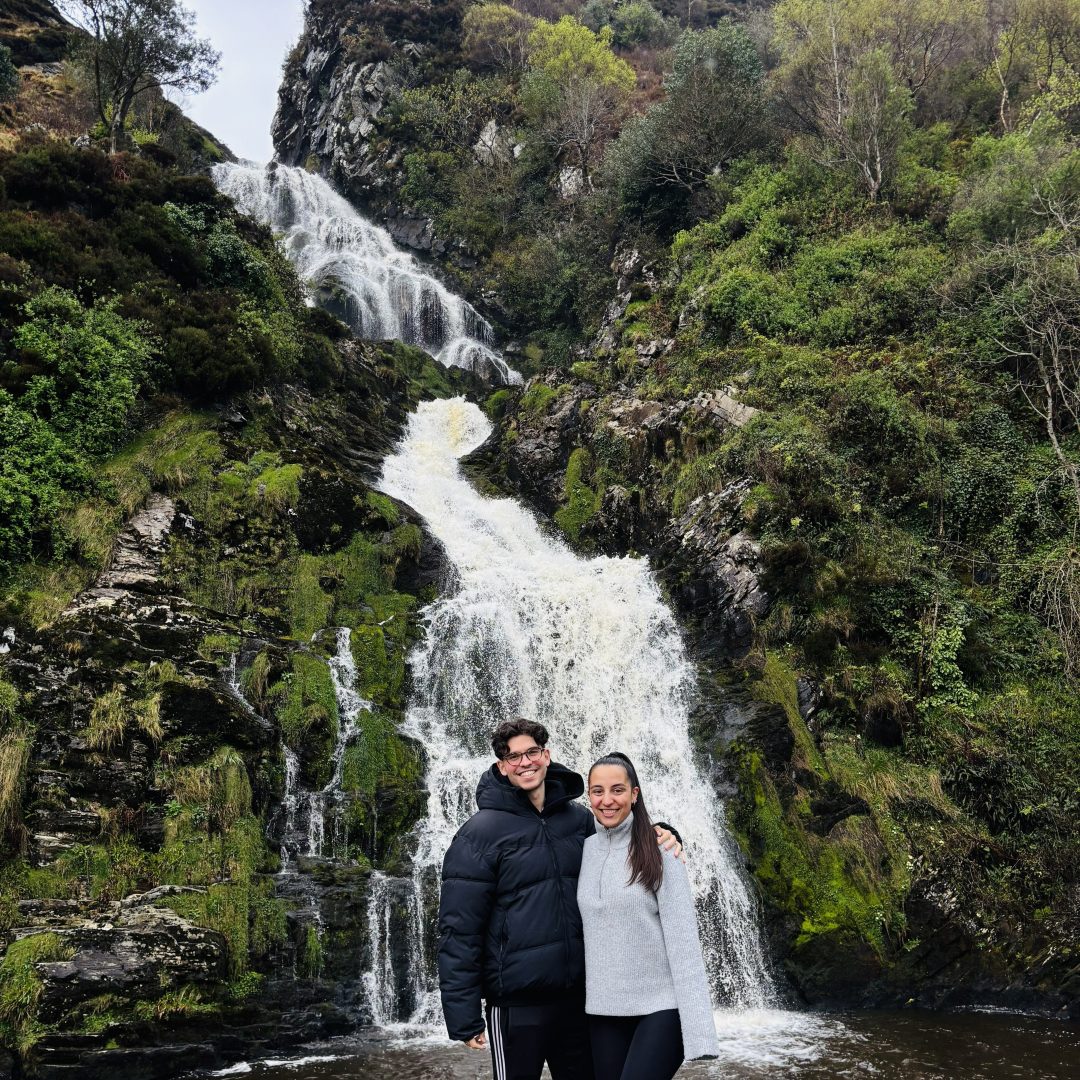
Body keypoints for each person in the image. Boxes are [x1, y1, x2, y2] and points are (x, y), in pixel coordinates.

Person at [437, 718, 682, 1080]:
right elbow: (459, 930)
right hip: (517, 1005)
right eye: (513, 756)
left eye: (532, 752)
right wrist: (463, 1014)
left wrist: (665, 834)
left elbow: (621, 840)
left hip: (579, 1001)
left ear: (546, 755)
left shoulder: (579, 820)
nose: (525, 763)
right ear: (502, 767)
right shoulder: (478, 835)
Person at [578, 751, 719, 1080]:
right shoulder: (583, 850)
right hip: (603, 1011)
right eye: (598, 791)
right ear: (589, 795)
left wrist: (700, 1034)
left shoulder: (661, 851)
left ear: (634, 794)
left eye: (617, 790)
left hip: (660, 1009)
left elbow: (684, 944)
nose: (607, 800)